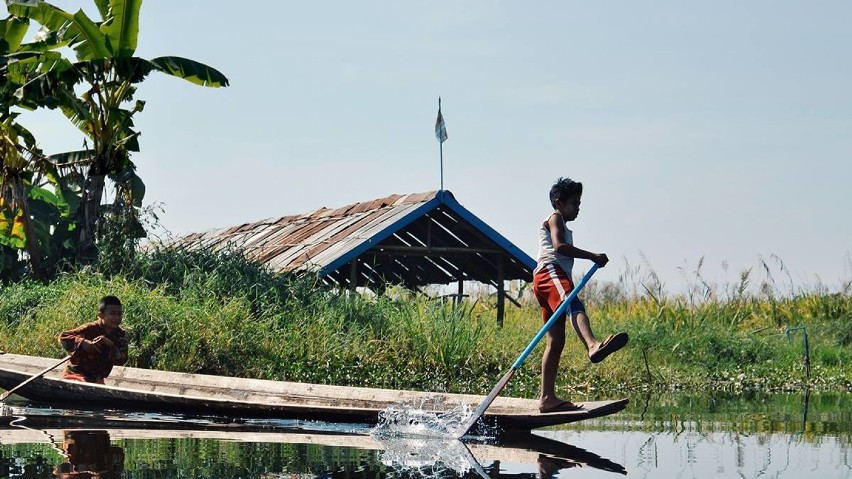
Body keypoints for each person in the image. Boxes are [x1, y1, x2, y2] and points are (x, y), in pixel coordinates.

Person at [532, 177, 628, 413]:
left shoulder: (561, 221)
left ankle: (547, 399)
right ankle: (593, 345)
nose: (578, 208)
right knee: (573, 303)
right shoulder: (554, 218)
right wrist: (592, 255)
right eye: (574, 203)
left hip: (545, 278)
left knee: (556, 341)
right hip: (549, 272)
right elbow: (559, 247)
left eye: (579, 203)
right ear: (559, 202)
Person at [58, 295, 129, 384]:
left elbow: (122, 360)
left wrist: (110, 344)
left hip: (96, 377)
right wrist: (83, 342)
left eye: (119, 314)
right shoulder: (90, 328)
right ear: (101, 315)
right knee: (82, 384)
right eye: (112, 313)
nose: (116, 317)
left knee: (98, 388)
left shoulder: (120, 335)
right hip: (76, 373)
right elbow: (63, 336)